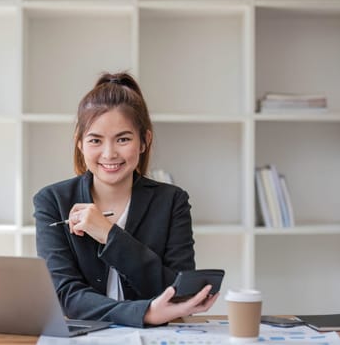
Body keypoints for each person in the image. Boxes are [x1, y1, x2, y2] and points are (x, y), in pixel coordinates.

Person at [33, 72, 218, 327]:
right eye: (95, 140)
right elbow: (65, 295)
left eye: (123, 139)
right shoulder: (52, 201)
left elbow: (177, 290)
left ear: (144, 141)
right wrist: (145, 313)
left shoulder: (172, 201)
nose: (109, 154)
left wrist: (109, 234)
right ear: (80, 144)